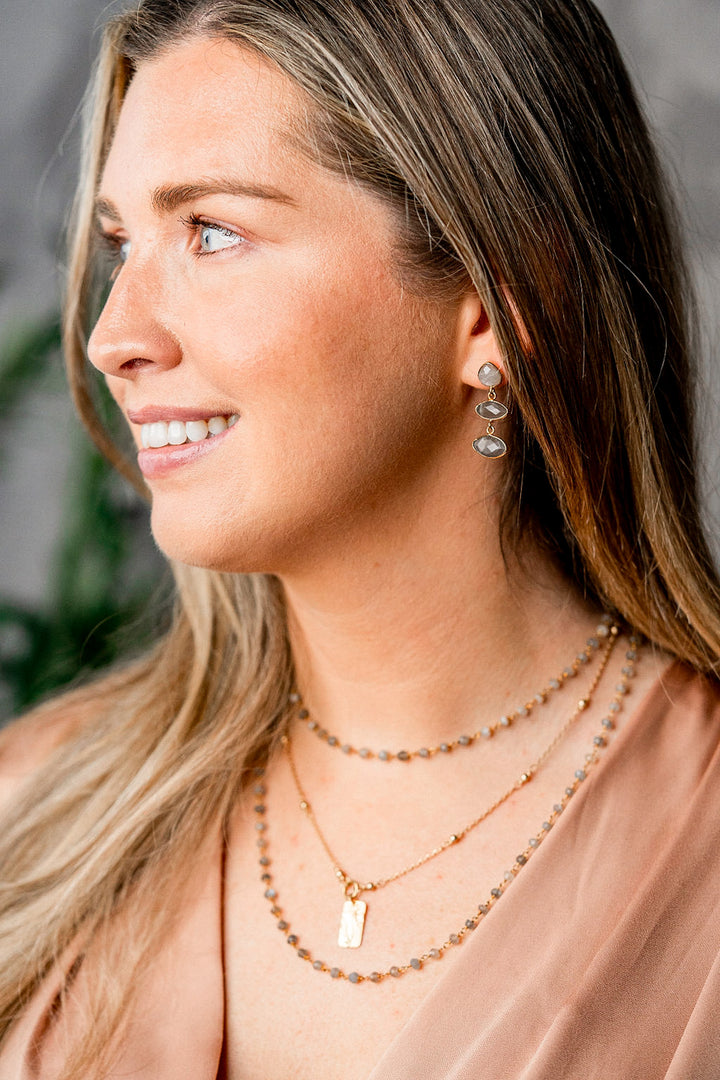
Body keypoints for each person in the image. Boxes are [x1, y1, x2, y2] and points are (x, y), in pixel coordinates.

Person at [1, 0, 719, 1076]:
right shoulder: (33, 806)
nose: (115, 337)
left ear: (493, 308)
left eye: (213, 232)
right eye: (120, 243)